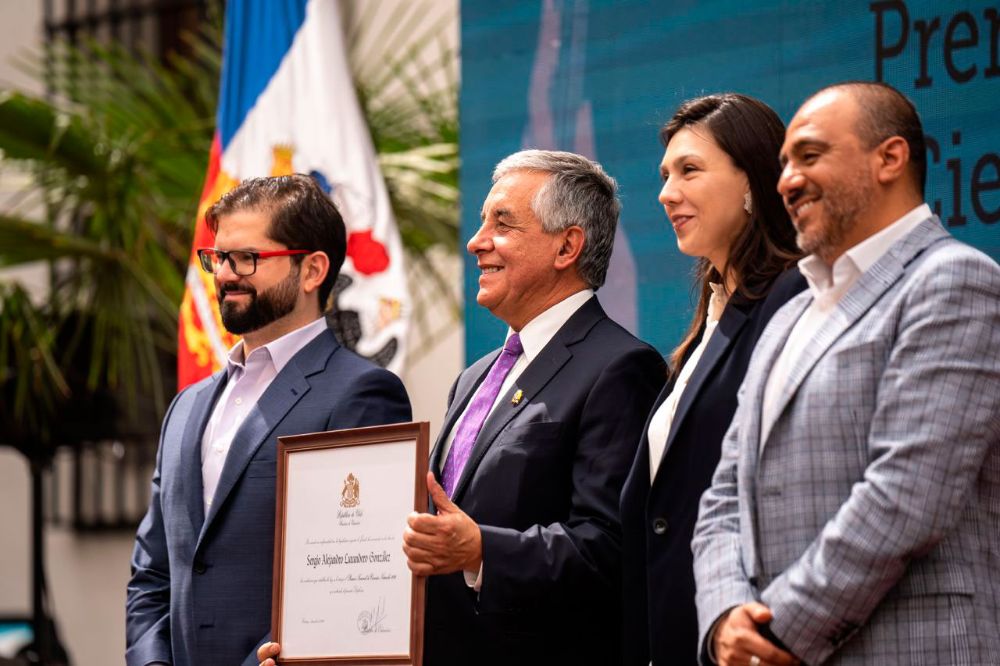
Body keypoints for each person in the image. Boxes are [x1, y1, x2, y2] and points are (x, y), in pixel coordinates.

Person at [258, 150, 665, 666]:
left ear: (567, 246)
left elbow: (610, 548)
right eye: (480, 223)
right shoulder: (475, 377)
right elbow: (425, 540)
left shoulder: (620, 367)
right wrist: (321, 642)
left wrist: (481, 550)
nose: (476, 243)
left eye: (503, 224)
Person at [692, 81, 1000, 666]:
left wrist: (775, 633)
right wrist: (727, 616)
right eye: (783, 163)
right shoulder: (789, 315)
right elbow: (723, 495)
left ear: (890, 157)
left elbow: (908, 495)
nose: (786, 180)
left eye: (809, 155)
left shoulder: (954, 280)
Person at [125, 174, 412, 666]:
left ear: (312, 270)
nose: (225, 274)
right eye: (217, 258)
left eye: (247, 258)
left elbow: (357, 579)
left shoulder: (361, 394)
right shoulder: (186, 408)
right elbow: (153, 572)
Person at [619, 94, 805, 666]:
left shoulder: (794, 302)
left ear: (753, 181)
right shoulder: (707, 323)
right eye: (665, 175)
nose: (666, 193)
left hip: (753, 633)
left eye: (690, 170)